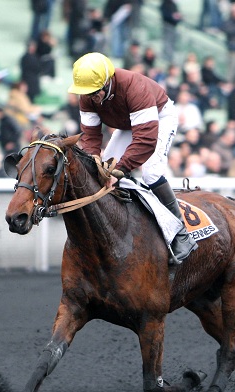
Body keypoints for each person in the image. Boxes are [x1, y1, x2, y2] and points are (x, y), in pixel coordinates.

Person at [67, 52, 197, 264]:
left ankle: (181, 235)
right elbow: (90, 136)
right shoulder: (88, 94)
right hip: (129, 123)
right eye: (86, 93)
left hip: (158, 117)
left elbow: (145, 140)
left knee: (151, 172)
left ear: (107, 81)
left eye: (94, 92)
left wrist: (120, 170)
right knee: (100, 172)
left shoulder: (134, 87)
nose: (90, 97)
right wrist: (94, 160)